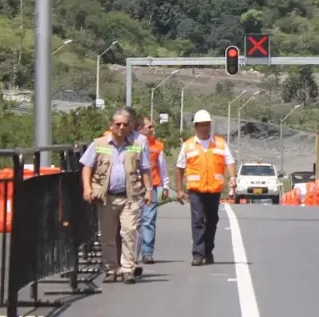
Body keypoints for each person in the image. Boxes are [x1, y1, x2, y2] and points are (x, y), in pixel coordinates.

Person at [80, 107, 153, 284]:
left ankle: (128, 269)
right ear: (111, 125)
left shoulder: (138, 143)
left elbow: (144, 168)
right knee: (107, 235)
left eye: (125, 124)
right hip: (106, 197)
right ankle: (111, 269)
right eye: (117, 124)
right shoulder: (99, 144)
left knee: (129, 232)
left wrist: (149, 190)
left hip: (130, 196)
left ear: (131, 127)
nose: (121, 127)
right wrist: (87, 188)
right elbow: (87, 166)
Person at [176, 109, 236, 266]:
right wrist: (180, 190)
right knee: (198, 221)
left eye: (207, 125)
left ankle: (208, 250)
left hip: (214, 190)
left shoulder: (220, 143)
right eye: (201, 125)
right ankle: (198, 253)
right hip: (196, 190)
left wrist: (232, 178)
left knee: (212, 221)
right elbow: (180, 168)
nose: (204, 128)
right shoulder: (188, 145)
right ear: (195, 127)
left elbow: (229, 162)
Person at [136, 117, 169, 264]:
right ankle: (130, 254)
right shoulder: (131, 143)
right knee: (133, 221)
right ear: (139, 128)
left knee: (148, 220)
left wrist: (165, 185)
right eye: (149, 127)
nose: (152, 130)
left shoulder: (157, 146)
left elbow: (162, 168)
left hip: (152, 186)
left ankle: (147, 252)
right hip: (133, 187)